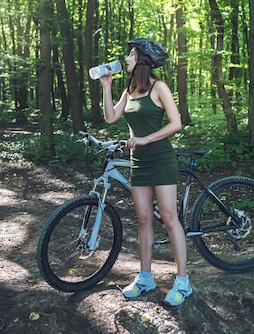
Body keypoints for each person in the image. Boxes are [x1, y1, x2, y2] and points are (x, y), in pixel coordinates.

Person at [99, 38, 192, 306]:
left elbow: (176, 124)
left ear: (142, 60)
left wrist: (146, 139)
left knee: (169, 217)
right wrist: (107, 87)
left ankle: (182, 282)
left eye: (131, 55)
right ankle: (145, 277)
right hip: (138, 161)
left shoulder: (159, 87)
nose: (126, 59)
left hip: (160, 159)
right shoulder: (129, 90)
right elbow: (110, 117)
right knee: (142, 219)